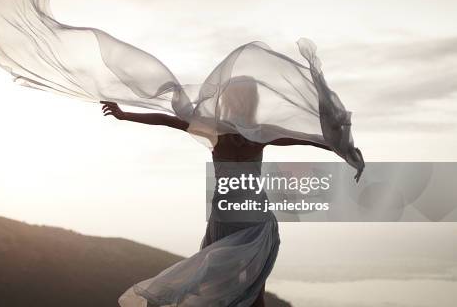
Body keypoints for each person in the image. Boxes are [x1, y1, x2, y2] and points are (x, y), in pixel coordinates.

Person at [102, 100, 334, 307]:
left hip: (224, 217)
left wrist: (125, 115)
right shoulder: (261, 134)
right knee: (254, 290)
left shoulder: (214, 131)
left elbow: (166, 120)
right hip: (254, 215)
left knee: (216, 284)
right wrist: (344, 149)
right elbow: (310, 140)